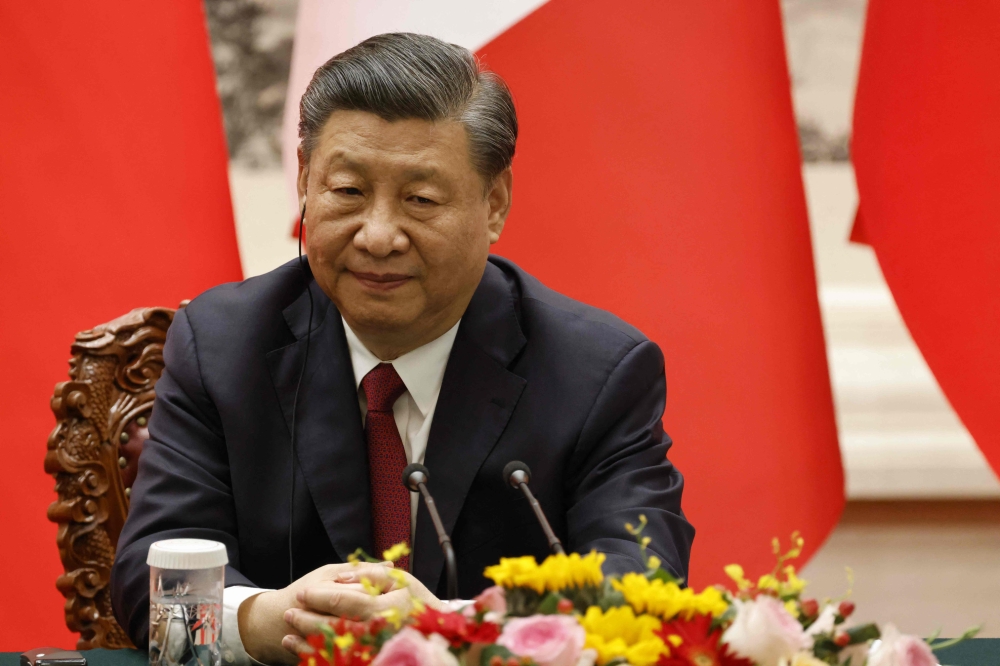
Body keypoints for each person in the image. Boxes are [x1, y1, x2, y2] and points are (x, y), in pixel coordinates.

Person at [111, 32, 694, 665]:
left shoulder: (599, 373)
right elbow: (155, 584)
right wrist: (269, 619)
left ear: (493, 203)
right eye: (348, 192)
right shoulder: (221, 346)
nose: (379, 235)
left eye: (419, 200)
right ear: (305, 182)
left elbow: (642, 584)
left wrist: (445, 626)